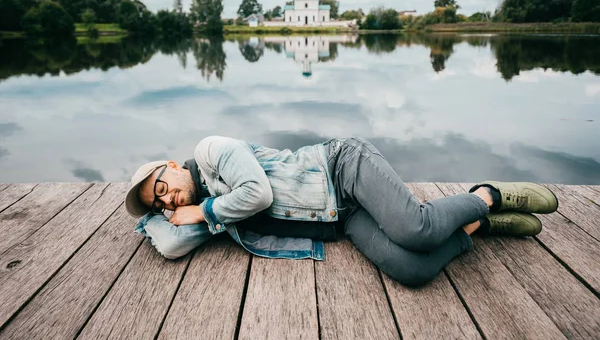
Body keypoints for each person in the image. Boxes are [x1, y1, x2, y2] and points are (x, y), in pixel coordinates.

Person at [125, 136, 558, 287]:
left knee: (416, 230)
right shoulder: (208, 210)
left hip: (341, 168)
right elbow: (169, 244)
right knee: (411, 270)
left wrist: (202, 213)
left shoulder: (212, 152)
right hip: (341, 219)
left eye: (162, 188)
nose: (168, 201)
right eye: (158, 203)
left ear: (173, 164)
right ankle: (478, 224)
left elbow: (256, 193)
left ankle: (488, 195)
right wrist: (157, 220)